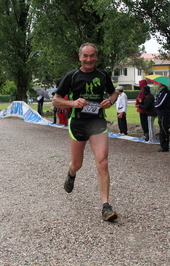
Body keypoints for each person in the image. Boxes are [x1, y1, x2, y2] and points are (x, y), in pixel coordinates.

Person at [52, 43, 119, 221]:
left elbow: (114, 94)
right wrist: (73, 103)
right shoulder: (72, 76)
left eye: (92, 56)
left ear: (96, 57)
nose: (89, 59)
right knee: (77, 164)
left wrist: (110, 102)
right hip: (78, 123)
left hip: (97, 122)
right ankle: (71, 173)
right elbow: (56, 100)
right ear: (80, 57)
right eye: (85, 56)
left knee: (103, 163)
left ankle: (106, 206)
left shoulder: (103, 75)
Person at [154, 82, 170, 152]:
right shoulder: (161, 92)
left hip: (164, 113)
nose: (158, 84)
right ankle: (162, 145)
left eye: (159, 83)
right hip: (160, 114)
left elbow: (160, 103)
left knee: (164, 130)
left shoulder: (166, 92)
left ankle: (165, 146)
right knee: (161, 130)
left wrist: (155, 104)